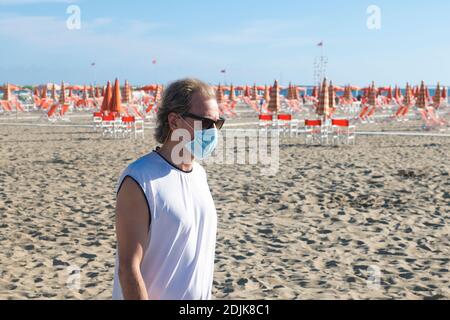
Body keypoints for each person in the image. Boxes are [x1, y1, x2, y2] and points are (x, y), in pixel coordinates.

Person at [112, 78, 225, 300]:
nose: (212, 132)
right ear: (174, 121)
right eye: (205, 122)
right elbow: (128, 269)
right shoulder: (140, 179)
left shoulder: (199, 175)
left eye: (217, 123)